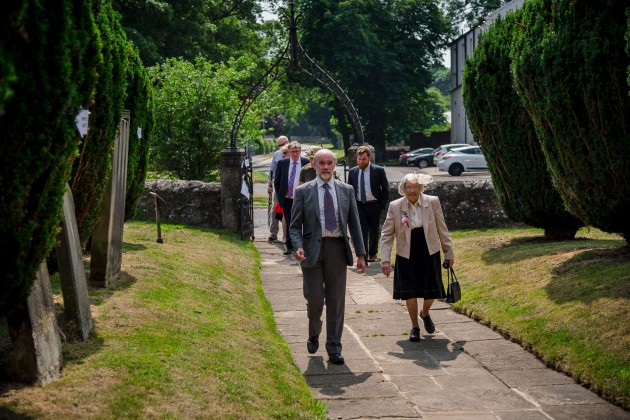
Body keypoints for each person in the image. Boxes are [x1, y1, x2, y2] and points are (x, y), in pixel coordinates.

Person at [290, 149, 366, 365]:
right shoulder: (303, 191)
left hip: (337, 250)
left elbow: (355, 223)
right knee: (315, 300)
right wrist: (297, 247)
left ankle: (334, 346)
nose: (325, 167)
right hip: (311, 251)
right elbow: (294, 226)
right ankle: (314, 332)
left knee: (336, 301)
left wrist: (361, 253)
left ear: (334, 165)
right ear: (314, 165)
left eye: (329, 163)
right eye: (321, 163)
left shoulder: (346, 190)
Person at [380, 173, 454, 342]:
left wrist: (448, 252)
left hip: (429, 249)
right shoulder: (395, 206)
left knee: (432, 290)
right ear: (403, 189)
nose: (412, 190)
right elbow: (386, 234)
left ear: (421, 188)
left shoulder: (432, 201)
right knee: (410, 291)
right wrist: (385, 260)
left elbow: (442, 228)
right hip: (406, 252)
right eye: (408, 187)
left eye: (415, 187)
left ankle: (425, 312)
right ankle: (415, 326)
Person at [347, 145, 390, 262]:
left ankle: (372, 254)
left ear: (369, 158)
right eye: (359, 159)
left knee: (374, 230)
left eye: (364, 159)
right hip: (359, 205)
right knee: (362, 230)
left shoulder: (378, 170)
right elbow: (349, 190)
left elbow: (385, 188)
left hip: (375, 204)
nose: (361, 162)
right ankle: (363, 255)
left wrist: (382, 205)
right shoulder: (352, 172)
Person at [274, 141, 310, 255]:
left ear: (300, 151)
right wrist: (280, 197)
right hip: (288, 199)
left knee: (305, 222)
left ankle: (304, 246)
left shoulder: (306, 162)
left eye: (297, 151)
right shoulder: (282, 163)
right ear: (289, 152)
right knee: (290, 222)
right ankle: (290, 247)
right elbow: (277, 181)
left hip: (302, 198)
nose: (295, 154)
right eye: (293, 151)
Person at [267, 135, 289, 242]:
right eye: (278, 145)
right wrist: (270, 185)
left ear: (287, 142)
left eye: (282, 145)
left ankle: (289, 234)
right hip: (279, 186)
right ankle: (273, 232)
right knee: (276, 208)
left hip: (291, 186)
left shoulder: (294, 153)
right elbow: (272, 171)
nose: (280, 147)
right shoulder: (277, 154)